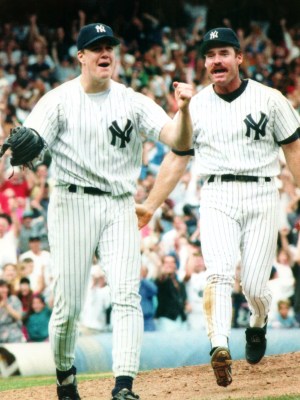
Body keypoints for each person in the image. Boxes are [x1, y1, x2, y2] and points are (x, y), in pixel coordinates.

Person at [19, 22, 192, 400]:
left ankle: (124, 385)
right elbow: (31, 140)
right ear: (80, 56)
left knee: (127, 294)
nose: (105, 53)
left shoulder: (132, 100)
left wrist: (185, 111)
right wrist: (21, 156)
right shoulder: (58, 99)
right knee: (67, 306)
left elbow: (177, 140)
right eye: (96, 47)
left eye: (109, 46)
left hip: (118, 205)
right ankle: (65, 375)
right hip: (72, 203)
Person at [136, 27, 300, 388]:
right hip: (216, 194)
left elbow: (293, 151)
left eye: (223, 52)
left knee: (256, 285)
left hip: (262, 193)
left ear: (239, 58)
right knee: (219, 272)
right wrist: (150, 204)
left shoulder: (270, 100)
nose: (215, 60)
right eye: (209, 55)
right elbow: (177, 159)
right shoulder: (195, 106)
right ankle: (219, 347)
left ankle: (257, 324)